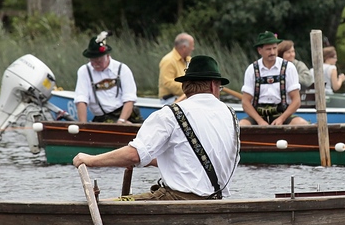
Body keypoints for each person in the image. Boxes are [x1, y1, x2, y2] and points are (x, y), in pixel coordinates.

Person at [73, 55, 240, 200]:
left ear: (185, 86)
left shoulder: (171, 114)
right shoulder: (232, 116)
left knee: (108, 203)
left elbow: (133, 155)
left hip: (179, 203)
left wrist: (91, 160)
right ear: (213, 85)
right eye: (220, 87)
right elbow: (203, 160)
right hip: (218, 202)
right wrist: (150, 161)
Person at [239, 31, 309, 126]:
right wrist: (260, 121)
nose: (272, 52)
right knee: (241, 126)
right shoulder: (252, 69)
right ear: (260, 50)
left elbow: (296, 101)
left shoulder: (289, 67)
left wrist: (281, 119)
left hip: (283, 114)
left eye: (274, 48)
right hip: (258, 115)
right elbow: (245, 102)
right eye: (268, 49)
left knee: (302, 124)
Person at [74, 31, 141, 124]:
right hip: (103, 118)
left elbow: (129, 98)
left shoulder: (122, 69)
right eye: (92, 61)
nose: (95, 64)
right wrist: (83, 125)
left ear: (108, 56)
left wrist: (121, 121)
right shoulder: (84, 71)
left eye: (99, 61)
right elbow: (81, 100)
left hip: (126, 114)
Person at [157, 33, 194, 105]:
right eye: (192, 46)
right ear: (184, 47)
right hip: (171, 100)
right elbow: (168, 84)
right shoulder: (168, 60)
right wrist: (190, 88)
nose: (193, 48)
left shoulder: (189, 60)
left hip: (185, 98)